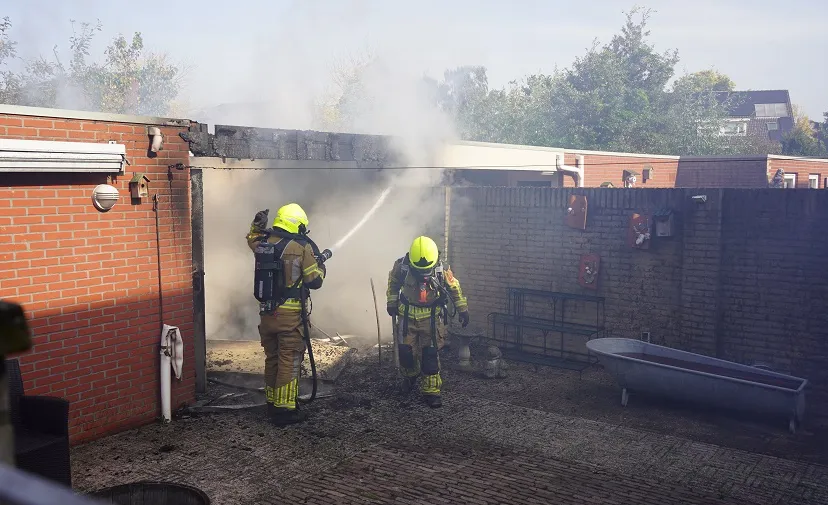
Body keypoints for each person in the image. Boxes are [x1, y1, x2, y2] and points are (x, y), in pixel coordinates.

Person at [247, 203, 326, 426]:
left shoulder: (263, 243)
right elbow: (314, 281)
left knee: (272, 357)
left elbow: (251, 238)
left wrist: (256, 225)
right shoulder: (301, 247)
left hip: (267, 315)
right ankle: (284, 410)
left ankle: (273, 402)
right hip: (290, 317)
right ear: (296, 224)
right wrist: (321, 267)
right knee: (289, 360)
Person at [386, 236, 469, 408]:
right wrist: (391, 303)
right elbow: (393, 284)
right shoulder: (402, 266)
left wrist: (463, 309)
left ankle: (431, 391)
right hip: (406, 316)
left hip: (431, 319)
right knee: (406, 354)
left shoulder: (442, 269)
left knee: (430, 357)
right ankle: (410, 376)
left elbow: (454, 287)